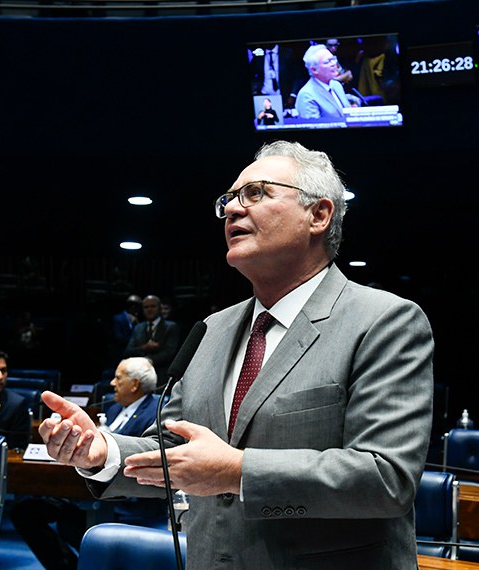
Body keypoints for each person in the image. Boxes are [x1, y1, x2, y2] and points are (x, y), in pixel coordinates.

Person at [39, 141, 434, 569]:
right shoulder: (211, 330)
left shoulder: (384, 321)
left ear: (318, 215)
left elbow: (386, 478)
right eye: (228, 199)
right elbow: (177, 450)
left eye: (256, 193)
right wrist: (102, 451)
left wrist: (237, 470)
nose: (231, 210)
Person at [11, 357, 164, 570]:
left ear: (135, 384)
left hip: (124, 502)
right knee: (25, 512)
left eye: (118, 378)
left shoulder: (155, 412)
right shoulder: (114, 408)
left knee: (69, 525)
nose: (112, 383)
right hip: (83, 492)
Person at [123, 295, 181, 389]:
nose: (149, 309)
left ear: (159, 308)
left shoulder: (171, 327)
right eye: (146, 307)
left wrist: (147, 360)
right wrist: (144, 347)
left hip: (161, 378)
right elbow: (128, 351)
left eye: (153, 306)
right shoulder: (138, 328)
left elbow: (169, 353)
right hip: (138, 378)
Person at [295, 44, 349, 120]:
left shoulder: (336, 84)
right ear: (314, 70)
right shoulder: (306, 95)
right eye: (327, 62)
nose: (333, 64)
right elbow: (314, 128)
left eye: (333, 59)